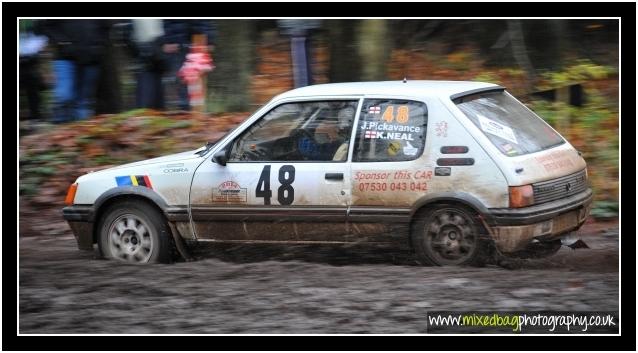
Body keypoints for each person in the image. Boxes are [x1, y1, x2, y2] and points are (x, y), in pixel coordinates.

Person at [41, 20, 111, 123]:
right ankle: (59, 128)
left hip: (91, 59)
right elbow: (46, 26)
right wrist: (62, 43)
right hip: (65, 57)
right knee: (64, 96)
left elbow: (106, 27)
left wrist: (98, 46)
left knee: (83, 101)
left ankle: (79, 133)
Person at [162, 20, 216, 111]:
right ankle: (185, 111)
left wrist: (209, 40)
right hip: (177, 43)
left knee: (197, 81)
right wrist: (168, 40)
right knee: (182, 80)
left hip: (199, 40)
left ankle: (197, 113)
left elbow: (208, 20)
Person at [123, 19, 168, 110]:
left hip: (156, 49)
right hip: (145, 50)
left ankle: (153, 114)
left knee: (155, 92)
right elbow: (126, 34)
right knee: (147, 94)